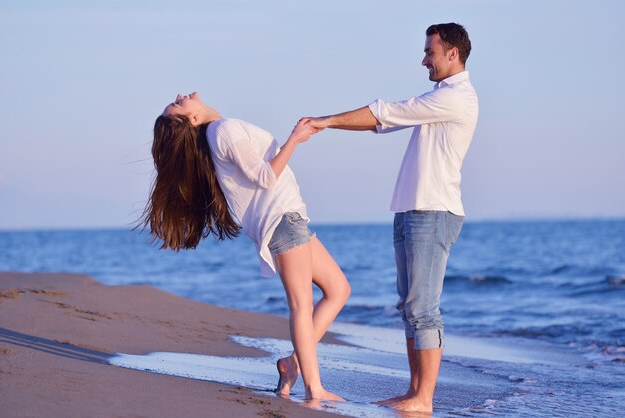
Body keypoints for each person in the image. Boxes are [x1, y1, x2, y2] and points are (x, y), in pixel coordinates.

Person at [306, 23, 478, 413]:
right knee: (410, 306)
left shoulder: (458, 98)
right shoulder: (441, 96)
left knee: (424, 308)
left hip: (433, 212)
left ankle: (424, 399)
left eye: (429, 52)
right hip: (411, 209)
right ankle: (414, 391)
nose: (424, 60)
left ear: (452, 53)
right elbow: (387, 120)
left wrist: (326, 121)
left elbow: (389, 113)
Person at [141, 92, 350, 401]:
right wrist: (296, 138)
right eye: (179, 104)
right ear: (194, 119)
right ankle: (314, 389)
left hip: (290, 216)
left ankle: (292, 365)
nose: (180, 96)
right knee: (301, 306)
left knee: (338, 289)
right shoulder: (222, 131)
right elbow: (265, 177)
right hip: (280, 220)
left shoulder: (218, 133)